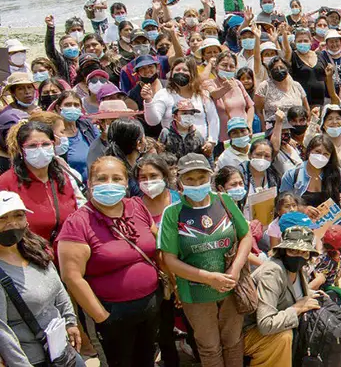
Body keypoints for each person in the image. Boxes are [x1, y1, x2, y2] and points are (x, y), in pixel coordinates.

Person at [56, 156, 160, 367]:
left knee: (146, 360)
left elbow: (157, 246)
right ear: (90, 184)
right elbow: (72, 276)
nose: (109, 184)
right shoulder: (79, 222)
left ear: (126, 182)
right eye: (101, 179)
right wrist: (102, 317)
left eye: (116, 178)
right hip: (112, 314)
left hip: (150, 306)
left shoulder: (137, 206)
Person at [157, 153, 253, 367]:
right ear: (179, 180)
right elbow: (169, 259)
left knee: (233, 341)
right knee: (209, 347)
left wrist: (235, 270)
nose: (197, 183)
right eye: (190, 179)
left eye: (202, 177)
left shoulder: (224, 200)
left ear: (210, 177)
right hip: (195, 292)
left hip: (231, 287)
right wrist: (209, 278)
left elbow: (246, 236)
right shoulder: (173, 213)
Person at [0, 190, 85, 367]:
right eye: (3, 218)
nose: (12, 223)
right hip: (31, 359)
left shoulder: (36, 249)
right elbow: (2, 330)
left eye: (18, 215)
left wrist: (70, 321)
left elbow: (57, 288)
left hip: (61, 350)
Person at [244, 224, 337, 367]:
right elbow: (265, 324)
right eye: (293, 251)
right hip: (250, 333)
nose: (298, 256)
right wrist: (296, 308)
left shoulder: (299, 270)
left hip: (276, 323)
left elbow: (291, 292)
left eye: (304, 252)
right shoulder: (273, 273)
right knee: (283, 337)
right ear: (283, 251)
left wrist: (312, 294)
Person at [0, 120, 80, 244]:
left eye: (46, 144)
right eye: (32, 146)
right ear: (21, 150)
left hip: (65, 255)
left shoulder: (63, 178)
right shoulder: (6, 183)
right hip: (29, 257)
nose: (40, 150)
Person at [278, 135, 341, 242]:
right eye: (317, 152)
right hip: (303, 220)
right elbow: (282, 201)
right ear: (309, 152)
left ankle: (331, 244)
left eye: (325, 154)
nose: (321, 156)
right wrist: (302, 209)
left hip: (333, 220)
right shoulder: (292, 174)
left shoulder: (336, 172)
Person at [143, 57, 220, 152]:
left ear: (193, 74)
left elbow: (213, 119)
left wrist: (211, 141)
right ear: (171, 73)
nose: (181, 72)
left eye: (185, 70)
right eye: (177, 70)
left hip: (201, 149)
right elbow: (153, 121)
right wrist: (148, 100)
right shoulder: (163, 94)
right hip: (173, 151)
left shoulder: (202, 94)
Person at [254, 57, 309, 130]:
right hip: (274, 130)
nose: (279, 70)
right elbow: (258, 111)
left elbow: (306, 108)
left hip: (297, 128)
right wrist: (264, 129)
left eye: (281, 67)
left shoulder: (296, 85)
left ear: (287, 69)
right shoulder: (264, 86)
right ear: (270, 71)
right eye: (275, 68)